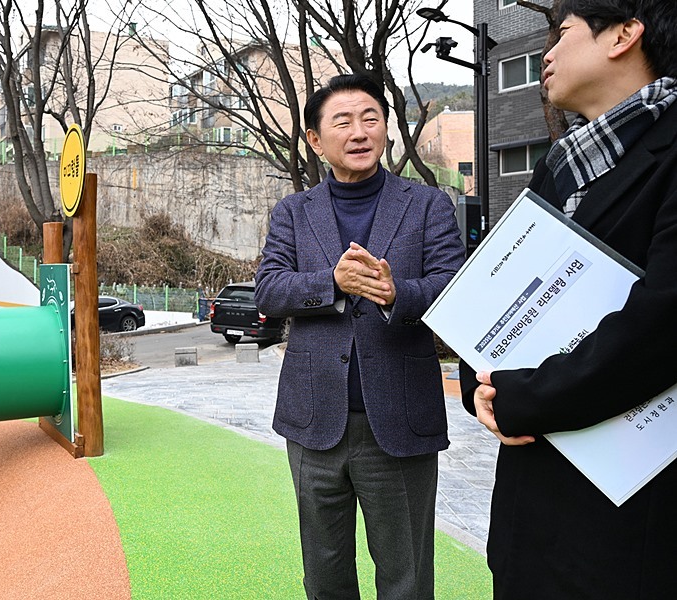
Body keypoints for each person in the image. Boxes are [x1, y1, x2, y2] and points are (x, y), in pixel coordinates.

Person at [459, 1, 677, 598]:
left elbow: (660, 325)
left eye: (563, 34)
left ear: (624, 34)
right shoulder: (561, 164)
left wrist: (521, 396)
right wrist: (480, 379)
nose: (547, 55)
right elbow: (494, 293)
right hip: (532, 511)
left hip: (629, 519)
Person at [255, 73, 465, 599]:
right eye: (342, 121)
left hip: (399, 417)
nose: (359, 132)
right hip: (314, 419)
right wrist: (332, 283)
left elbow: (453, 288)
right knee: (324, 572)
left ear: (386, 128)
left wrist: (397, 294)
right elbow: (269, 290)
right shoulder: (293, 212)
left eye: (371, 118)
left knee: (405, 575)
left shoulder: (427, 205)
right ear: (314, 139)